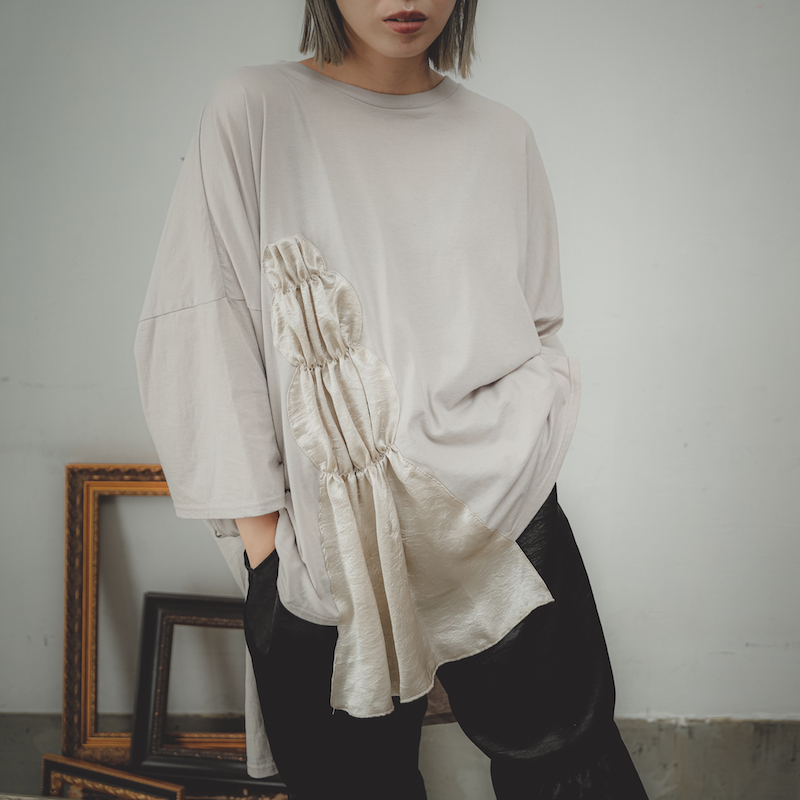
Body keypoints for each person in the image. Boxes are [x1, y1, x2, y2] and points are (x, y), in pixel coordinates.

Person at [134, 1, 649, 798]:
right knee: (349, 780)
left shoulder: (501, 135)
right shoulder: (255, 108)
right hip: (325, 529)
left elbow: (538, 321)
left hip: (497, 505)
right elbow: (205, 321)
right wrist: (264, 542)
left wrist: (519, 444)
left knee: (570, 763)